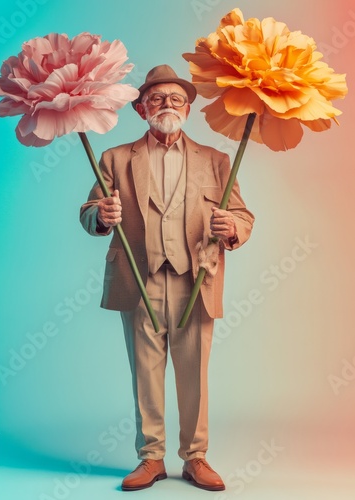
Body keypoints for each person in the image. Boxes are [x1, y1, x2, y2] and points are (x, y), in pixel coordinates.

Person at [80, 64, 254, 492]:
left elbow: (244, 216)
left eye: (176, 99)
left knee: (195, 373)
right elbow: (87, 213)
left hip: (196, 280)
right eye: (156, 99)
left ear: (189, 108)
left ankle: (196, 457)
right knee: (145, 372)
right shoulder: (115, 158)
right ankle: (151, 457)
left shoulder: (216, 160)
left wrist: (231, 227)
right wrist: (99, 217)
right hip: (138, 280)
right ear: (141, 109)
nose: (166, 105)